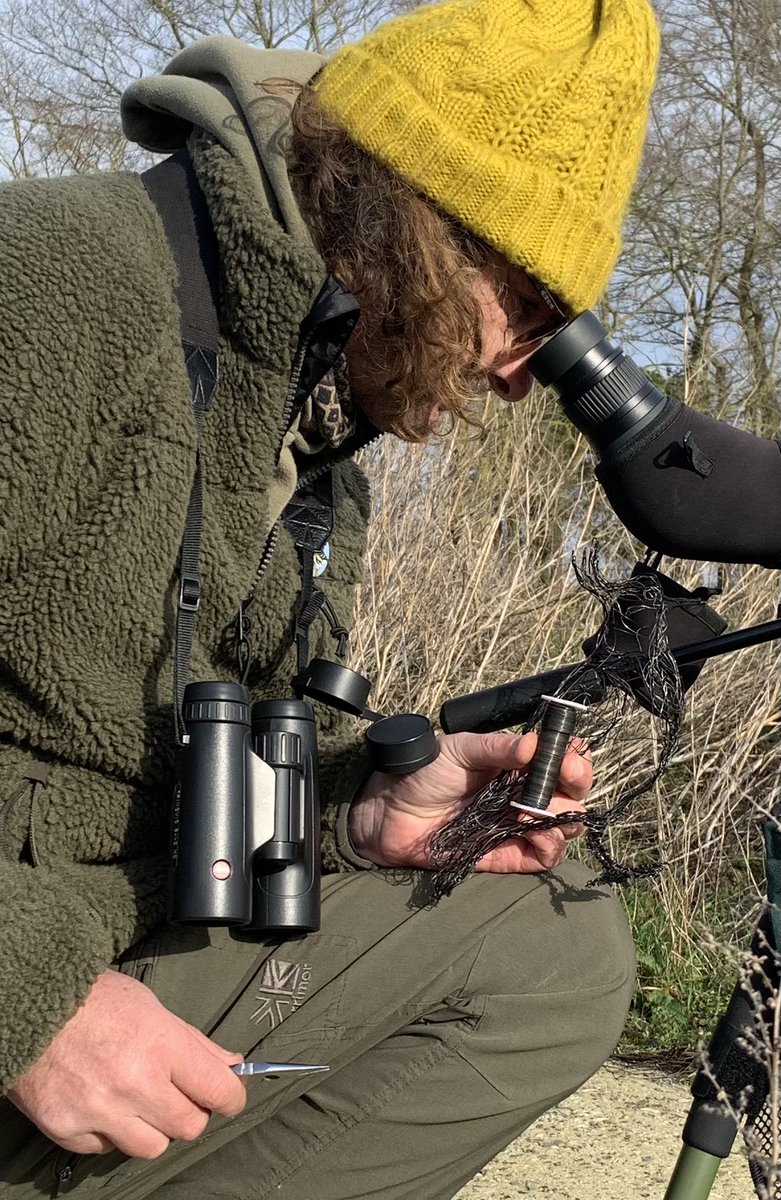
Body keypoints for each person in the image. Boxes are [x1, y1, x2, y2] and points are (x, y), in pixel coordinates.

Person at [0, 0, 659, 1196]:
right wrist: (25, 1001)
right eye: (533, 314)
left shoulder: (316, 442)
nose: (523, 382)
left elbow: (171, 761)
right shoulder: (48, 285)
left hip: (122, 931)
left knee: (550, 942)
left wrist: (357, 809)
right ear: (422, 227)